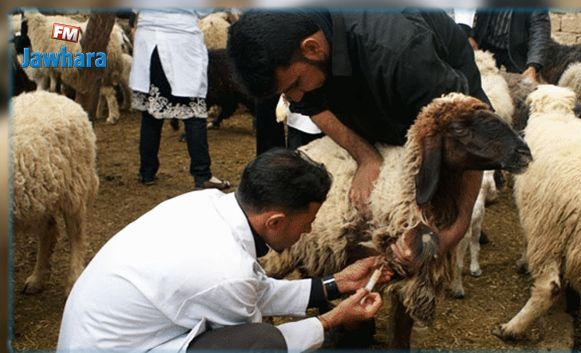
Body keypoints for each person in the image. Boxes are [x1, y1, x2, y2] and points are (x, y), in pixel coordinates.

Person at [57, 148, 392, 352]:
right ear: (274, 221)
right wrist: (335, 318)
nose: (309, 230)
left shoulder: (206, 203)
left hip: (108, 335)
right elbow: (265, 342)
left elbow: (252, 290)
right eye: (308, 220)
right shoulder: (226, 269)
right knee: (260, 342)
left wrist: (335, 284)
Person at [227, 9, 487, 252]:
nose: (293, 98)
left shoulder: (399, 50)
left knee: (427, 216)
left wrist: (458, 224)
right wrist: (366, 156)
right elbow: (310, 104)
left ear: (313, 48)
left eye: (294, 84)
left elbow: (467, 129)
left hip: (436, 105)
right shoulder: (304, 51)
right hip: (374, 94)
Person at [129, 9, 230, 190]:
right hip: (180, 42)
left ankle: (147, 172)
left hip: (149, 42)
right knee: (193, 114)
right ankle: (202, 174)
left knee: (152, 111)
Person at [453, 8, 551, 82]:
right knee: (477, 82)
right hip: (485, 44)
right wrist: (467, 35)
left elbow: (539, 31)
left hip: (516, 50)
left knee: (521, 89)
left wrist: (533, 65)